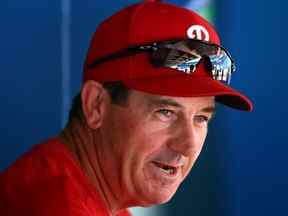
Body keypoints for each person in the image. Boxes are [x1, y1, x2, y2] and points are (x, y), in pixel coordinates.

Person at [0, 0, 253, 215]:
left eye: (201, 118)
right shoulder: (56, 205)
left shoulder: (95, 192)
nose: (187, 145)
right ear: (96, 105)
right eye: (166, 112)